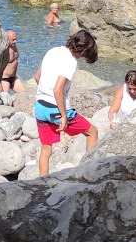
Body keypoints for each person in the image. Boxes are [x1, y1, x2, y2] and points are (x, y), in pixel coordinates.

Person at [31, 29, 100, 177]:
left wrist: (44, 93)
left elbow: (37, 77)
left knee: (46, 149)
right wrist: (63, 115)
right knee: (92, 132)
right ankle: (90, 173)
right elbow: (58, 89)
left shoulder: (53, 51)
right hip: (56, 109)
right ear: (84, 50)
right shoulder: (70, 61)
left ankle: (43, 182)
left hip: (40, 106)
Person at [0, 29, 22, 93]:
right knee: (4, 100)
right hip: (4, 80)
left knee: (25, 95)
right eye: (13, 40)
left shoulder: (14, 46)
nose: (15, 41)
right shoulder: (4, 50)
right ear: (7, 39)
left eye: (16, 39)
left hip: (14, 78)